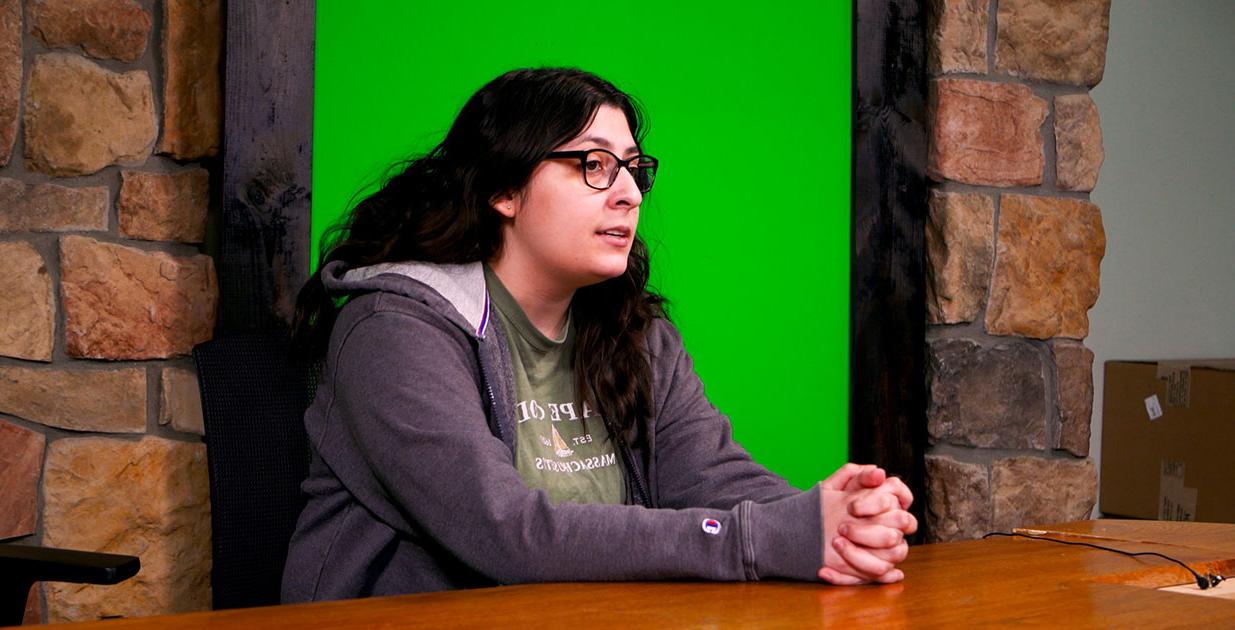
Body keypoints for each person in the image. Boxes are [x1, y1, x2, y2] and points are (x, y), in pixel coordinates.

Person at [282, 67, 915, 602]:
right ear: (504, 186)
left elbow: (710, 475)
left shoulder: (631, 329)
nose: (629, 194)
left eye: (636, 170)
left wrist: (836, 525)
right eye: (594, 165)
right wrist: (762, 540)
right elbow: (505, 535)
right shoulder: (392, 331)